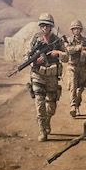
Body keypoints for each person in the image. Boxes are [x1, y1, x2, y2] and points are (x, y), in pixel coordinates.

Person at [27, 13, 65, 142]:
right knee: (40, 104)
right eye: (42, 25)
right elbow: (28, 56)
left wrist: (58, 53)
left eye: (47, 26)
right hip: (38, 75)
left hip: (52, 76)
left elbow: (66, 57)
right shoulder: (35, 40)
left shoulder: (57, 40)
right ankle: (42, 130)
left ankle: (47, 120)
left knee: (51, 106)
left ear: (51, 27)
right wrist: (35, 61)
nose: (44, 28)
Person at [63, 19, 86, 117]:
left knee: (80, 89)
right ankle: (73, 106)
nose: (76, 31)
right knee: (73, 87)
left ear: (80, 30)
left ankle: (77, 106)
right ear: (72, 30)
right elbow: (68, 50)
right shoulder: (69, 40)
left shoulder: (85, 41)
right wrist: (78, 48)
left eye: (78, 29)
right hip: (72, 67)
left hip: (82, 68)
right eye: (74, 29)